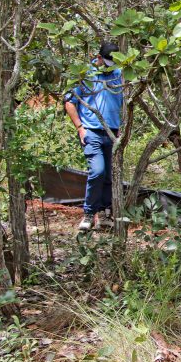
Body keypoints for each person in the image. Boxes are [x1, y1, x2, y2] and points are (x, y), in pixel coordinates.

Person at [64, 41, 124, 232]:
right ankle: (89, 213)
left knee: (108, 175)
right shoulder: (85, 75)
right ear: (98, 58)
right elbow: (69, 102)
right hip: (92, 132)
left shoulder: (119, 75)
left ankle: (106, 213)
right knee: (97, 171)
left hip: (112, 133)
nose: (109, 68)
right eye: (106, 63)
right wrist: (80, 128)